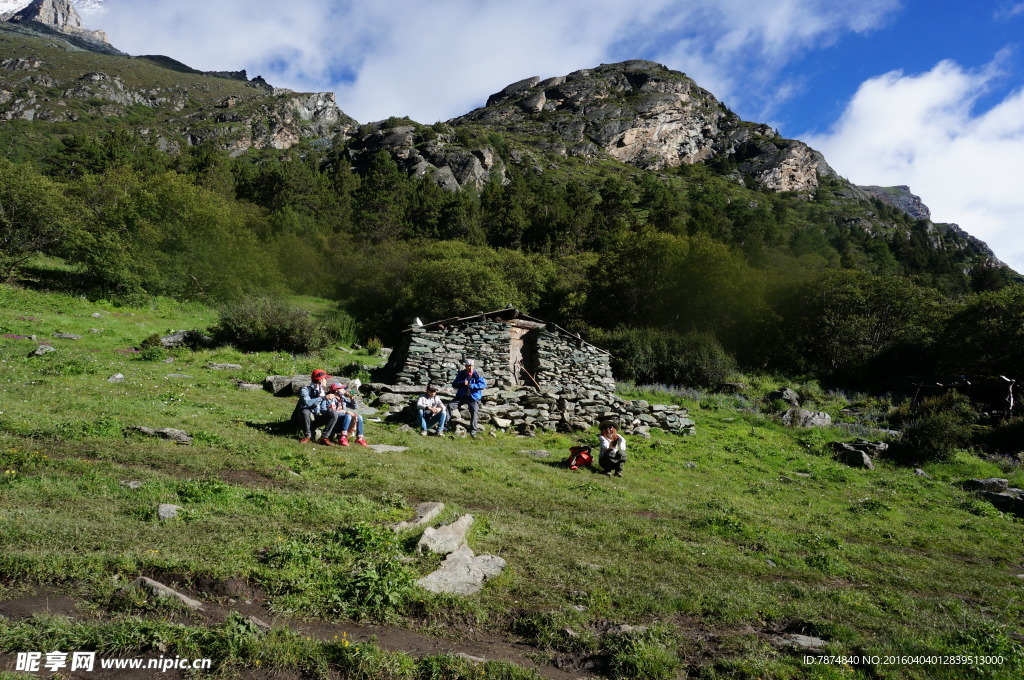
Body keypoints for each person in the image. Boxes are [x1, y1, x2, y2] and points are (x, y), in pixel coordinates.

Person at [293, 369, 340, 445]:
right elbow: (308, 403)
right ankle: (307, 436)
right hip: (302, 419)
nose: (326, 380)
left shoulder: (322, 392)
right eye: (325, 379)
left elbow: (322, 409)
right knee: (305, 411)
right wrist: (323, 398)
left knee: (333, 414)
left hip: (315, 418)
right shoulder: (305, 390)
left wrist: (329, 410)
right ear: (320, 380)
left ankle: (324, 437)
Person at [449, 358, 486, 437]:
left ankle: (473, 430)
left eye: (471, 366)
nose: (470, 367)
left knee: (474, 410)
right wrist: (463, 383)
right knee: (449, 406)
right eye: (468, 366)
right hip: (461, 396)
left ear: (473, 366)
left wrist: (472, 385)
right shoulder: (461, 374)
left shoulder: (477, 374)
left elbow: (483, 385)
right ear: (465, 366)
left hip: (473, 397)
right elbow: (454, 384)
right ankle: (445, 425)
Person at [328, 382, 367, 447]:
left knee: (359, 416)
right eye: (342, 389)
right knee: (348, 415)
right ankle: (342, 437)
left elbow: (354, 407)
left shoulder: (343, 398)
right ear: (336, 390)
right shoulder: (332, 399)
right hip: (336, 421)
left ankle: (359, 438)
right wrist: (345, 412)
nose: (344, 390)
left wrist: (352, 399)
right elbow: (332, 412)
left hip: (344, 420)